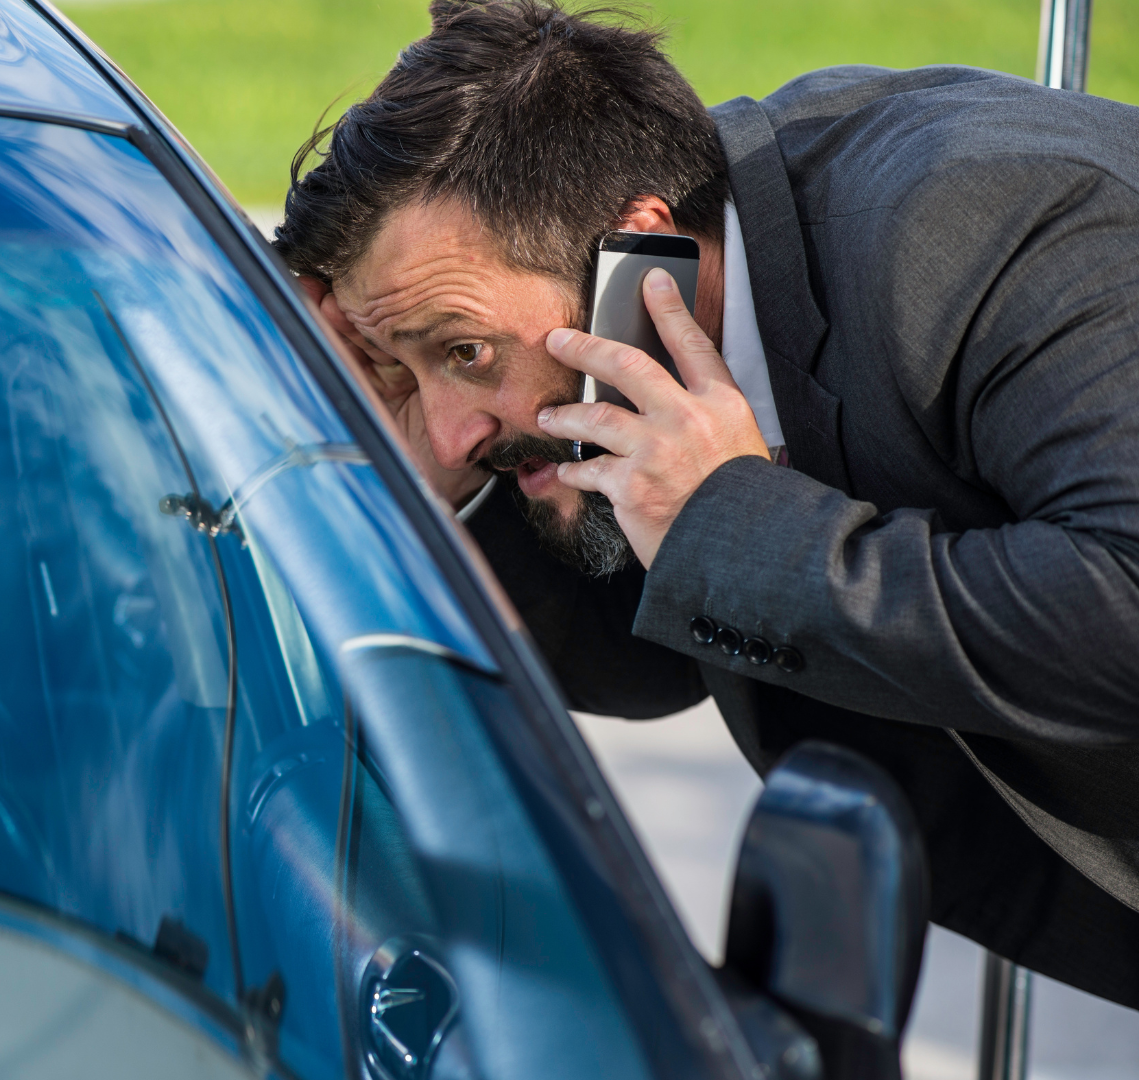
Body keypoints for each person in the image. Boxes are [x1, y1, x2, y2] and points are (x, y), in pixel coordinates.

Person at [276, 0, 1139, 1006]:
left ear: (635, 248)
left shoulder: (988, 230)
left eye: (463, 351)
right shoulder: (651, 331)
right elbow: (645, 664)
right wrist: (390, 459)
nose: (456, 426)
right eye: (406, 365)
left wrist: (731, 524)